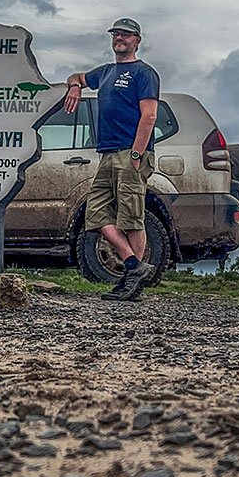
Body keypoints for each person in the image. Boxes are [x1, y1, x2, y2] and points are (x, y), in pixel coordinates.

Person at [64, 17, 160, 301]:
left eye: (126, 35)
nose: (120, 38)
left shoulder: (144, 73)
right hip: (107, 154)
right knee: (95, 215)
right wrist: (74, 86)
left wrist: (136, 153)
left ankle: (131, 285)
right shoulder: (105, 72)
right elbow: (77, 77)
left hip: (130, 154)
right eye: (116, 34)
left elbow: (150, 115)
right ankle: (134, 266)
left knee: (131, 218)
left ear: (137, 41)